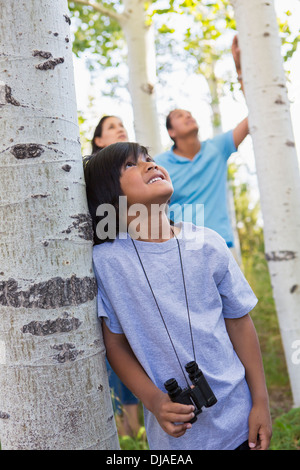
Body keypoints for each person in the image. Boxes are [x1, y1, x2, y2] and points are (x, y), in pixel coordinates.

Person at [84, 142, 272, 450]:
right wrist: (155, 401)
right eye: (130, 165)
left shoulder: (207, 243)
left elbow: (239, 322)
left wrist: (261, 403)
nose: (150, 164)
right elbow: (114, 343)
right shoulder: (106, 262)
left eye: (149, 158)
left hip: (240, 424)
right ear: (109, 195)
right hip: (177, 444)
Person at [154, 36, 247, 255]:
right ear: (171, 132)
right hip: (180, 246)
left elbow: (255, 116)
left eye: (189, 113)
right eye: (179, 115)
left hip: (221, 243)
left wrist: (240, 69)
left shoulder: (217, 148)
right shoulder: (159, 164)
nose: (188, 116)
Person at [86, 116, 141, 438]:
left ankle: (134, 428)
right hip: (104, 272)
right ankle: (127, 428)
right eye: (111, 127)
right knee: (114, 344)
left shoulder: (133, 179)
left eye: (122, 125)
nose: (120, 128)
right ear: (98, 141)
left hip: (132, 265)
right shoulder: (91, 180)